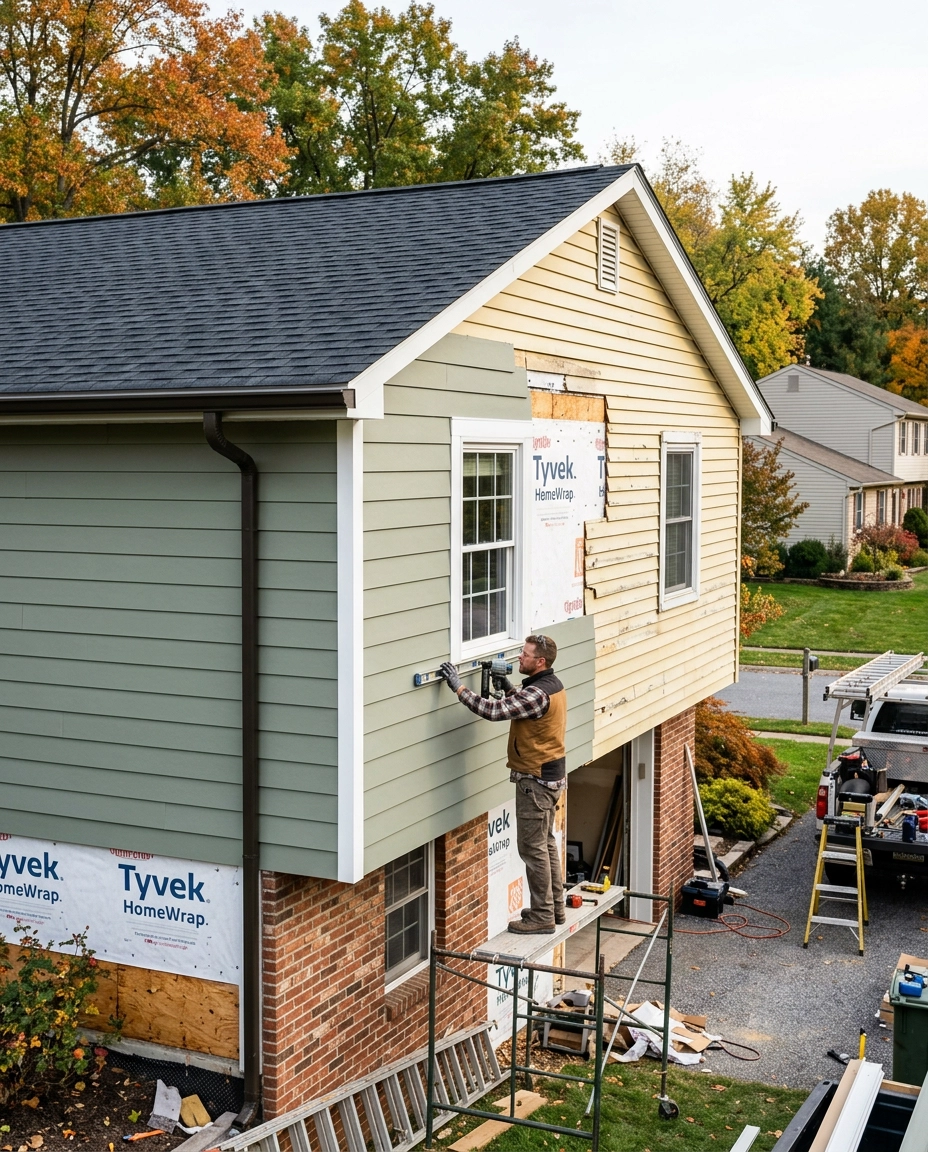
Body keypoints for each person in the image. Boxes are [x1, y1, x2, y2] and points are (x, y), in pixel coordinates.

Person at [440, 634, 567, 934]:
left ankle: (542, 917)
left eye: (525, 654)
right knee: (546, 843)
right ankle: (554, 909)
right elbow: (525, 708)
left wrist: (459, 687)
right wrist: (508, 687)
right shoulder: (550, 685)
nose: (519, 657)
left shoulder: (538, 693)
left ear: (540, 661)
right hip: (550, 776)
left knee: (533, 849)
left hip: (535, 782)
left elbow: (493, 711)